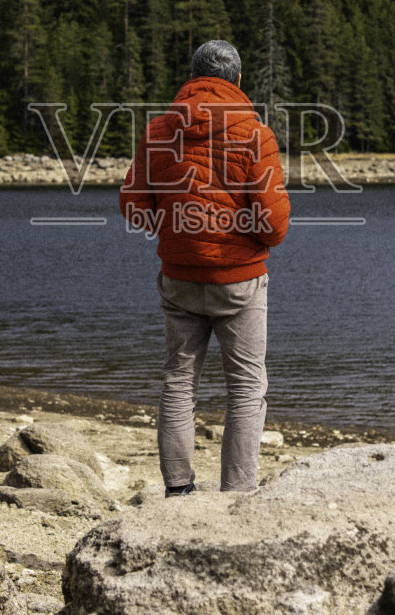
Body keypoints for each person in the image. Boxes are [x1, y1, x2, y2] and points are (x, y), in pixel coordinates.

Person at [119, 39, 291, 494]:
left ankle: (178, 490)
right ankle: (237, 494)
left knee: (178, 382)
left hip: (179, 277)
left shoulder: (159, 131)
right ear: (236, 80)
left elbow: (133, 206)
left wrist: (176, 227)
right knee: (247, 388)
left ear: (193, 78)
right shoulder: (256, 135)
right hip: (240, 281)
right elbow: (273, 226)